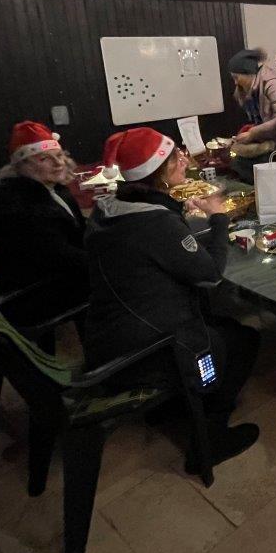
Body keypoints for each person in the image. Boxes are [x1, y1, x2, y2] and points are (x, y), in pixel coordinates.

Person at [85, 127, 260, 469]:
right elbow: (209, 274)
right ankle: (208, 439)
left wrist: (177, 214)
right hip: (151, 349)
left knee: (216, 321)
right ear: (160, 174)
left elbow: (154, 252)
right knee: (243, 341)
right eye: (174, 158)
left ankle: (172, 407)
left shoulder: (108, 209)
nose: (183, 159)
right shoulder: (155, 222)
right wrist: (218, 218)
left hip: (109, 336)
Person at [0, 121, 87, 328]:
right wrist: (104, 259)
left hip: (55, 273)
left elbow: (76, 230)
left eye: (59, 155)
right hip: (34, 291)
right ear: (21, 166)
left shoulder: (55, 189)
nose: (58, 163)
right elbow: (59, 256)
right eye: (44, 159)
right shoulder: (20, 206)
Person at [229, 48, 276, 167]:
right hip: (267, 139)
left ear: (247, 73)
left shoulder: (273, 85)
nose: (236, 83)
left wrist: (253, 133)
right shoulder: (251, 90)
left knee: (238, 163)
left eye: (237, 77)